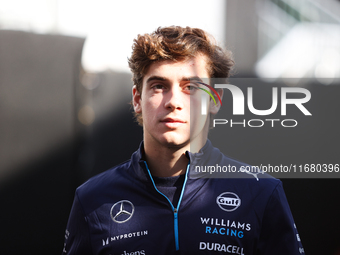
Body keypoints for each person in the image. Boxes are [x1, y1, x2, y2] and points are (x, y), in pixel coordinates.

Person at [62, 26, 304, 255]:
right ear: (137, 99)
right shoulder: (92, 199)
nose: (173, 101)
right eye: (158, 86)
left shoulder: (261, 193)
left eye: (190, 87)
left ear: (215, 100)